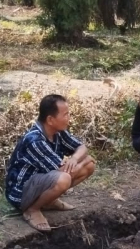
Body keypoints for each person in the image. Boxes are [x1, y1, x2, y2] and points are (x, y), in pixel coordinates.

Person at [5, 94, 96, 232]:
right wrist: (84, 161)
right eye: (65, 115)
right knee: (65, 178)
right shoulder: (35, 140)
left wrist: (75, 159)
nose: (69, 118)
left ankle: (47, 202)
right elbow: (63, 173)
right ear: (50, 120)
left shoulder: (58, 132)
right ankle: (32, 210)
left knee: (89, 166)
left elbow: (82, 147)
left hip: (41, 181)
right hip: (21, 193)